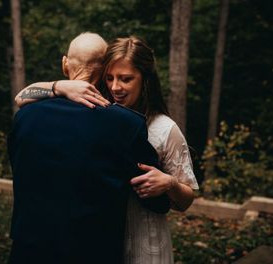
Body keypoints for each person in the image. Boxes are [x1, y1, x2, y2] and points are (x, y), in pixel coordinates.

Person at [16, 35, 199, 263]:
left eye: (126, 79)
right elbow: (20, 97)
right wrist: (61, 86)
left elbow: (183, 200)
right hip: (105, 239)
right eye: (110, 77)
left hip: (143, 235)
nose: (115, 87)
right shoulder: (108, 117)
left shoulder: (163, 128)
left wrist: (170, 183)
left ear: (145, 79)